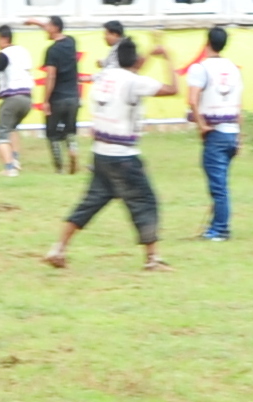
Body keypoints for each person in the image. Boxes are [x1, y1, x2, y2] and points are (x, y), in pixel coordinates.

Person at [44, 36, 169, 270]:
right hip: (124, 156)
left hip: (100, 154)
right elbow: (172, 89)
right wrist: (167, 59)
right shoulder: (134, 82)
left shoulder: (104, 78)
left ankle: (58, 248)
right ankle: (153, 259)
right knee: (145, 202)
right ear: (135, 60)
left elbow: (132, 68)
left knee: (89, 204)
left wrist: (150, 55)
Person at [180, 24, 242, 240]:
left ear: (206, 43)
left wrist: (201, 124)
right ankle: (217, 224)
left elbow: (192, 100)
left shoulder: (200, 68)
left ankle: (220, 229)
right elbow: (238, 106)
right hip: (231, 131)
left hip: (215, 133)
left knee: (218, 185)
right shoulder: (233, 68)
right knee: (221, 182)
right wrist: (239, 137)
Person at [0, 23, 34, 176]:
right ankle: (15, 161)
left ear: (3, 38)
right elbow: (10, 61)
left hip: (12, 98)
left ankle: (9, 168)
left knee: (1, 135)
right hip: (28, 99)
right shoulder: (22, 51)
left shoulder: (4, 55)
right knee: (12, 128)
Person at [34, 14, 82, 173]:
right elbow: (56, 30)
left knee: (52, 134)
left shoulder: (52, 51)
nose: (45, 29)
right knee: (69, 130)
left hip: (58, 98)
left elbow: (51, 76)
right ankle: (73, 150)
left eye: (48, 26)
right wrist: (37, 22)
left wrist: (46, 100)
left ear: (54, 28)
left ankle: (59, 167)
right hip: (74, 96)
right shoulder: (71, 42)